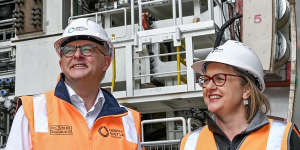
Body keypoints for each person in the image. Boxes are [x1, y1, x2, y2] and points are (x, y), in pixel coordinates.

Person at [6, 18, 141, 150]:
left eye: (88, 49)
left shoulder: (128, 120)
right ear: (61, 64)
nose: (77, 55)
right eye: (68, 50)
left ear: (106, 62)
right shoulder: (33, 112)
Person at [180, 40, 300, 150]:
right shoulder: (190, 143)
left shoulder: (283, 137)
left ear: (246, 89)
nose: (209, 87)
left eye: (220, 78)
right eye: (206, 79)